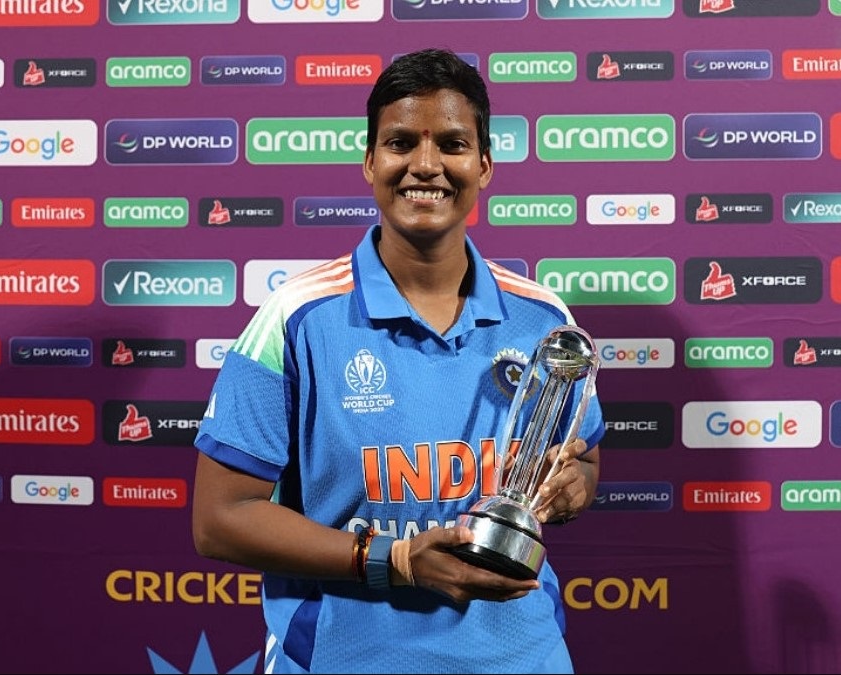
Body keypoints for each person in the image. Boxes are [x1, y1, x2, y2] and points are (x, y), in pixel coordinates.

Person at [191, 47, 604, 674]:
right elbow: (220, 520)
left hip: (521, 657)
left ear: (485, 165)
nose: (426, 165)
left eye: (453, 145)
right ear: (370, 162)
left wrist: (574, 489)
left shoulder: (543, 320)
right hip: (344, 659)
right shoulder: (296, 317)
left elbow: (584, 459)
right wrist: (396, 560)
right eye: (401, 143)